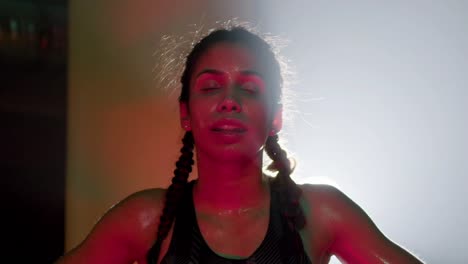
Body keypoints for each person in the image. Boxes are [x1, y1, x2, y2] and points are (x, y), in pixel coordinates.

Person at [56, 27, 424, 264]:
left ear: (275, 118)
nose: (229, 101)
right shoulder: (144, 218)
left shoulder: (322, 212)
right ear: (186, 113)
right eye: (211, 86)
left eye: (249, 89)